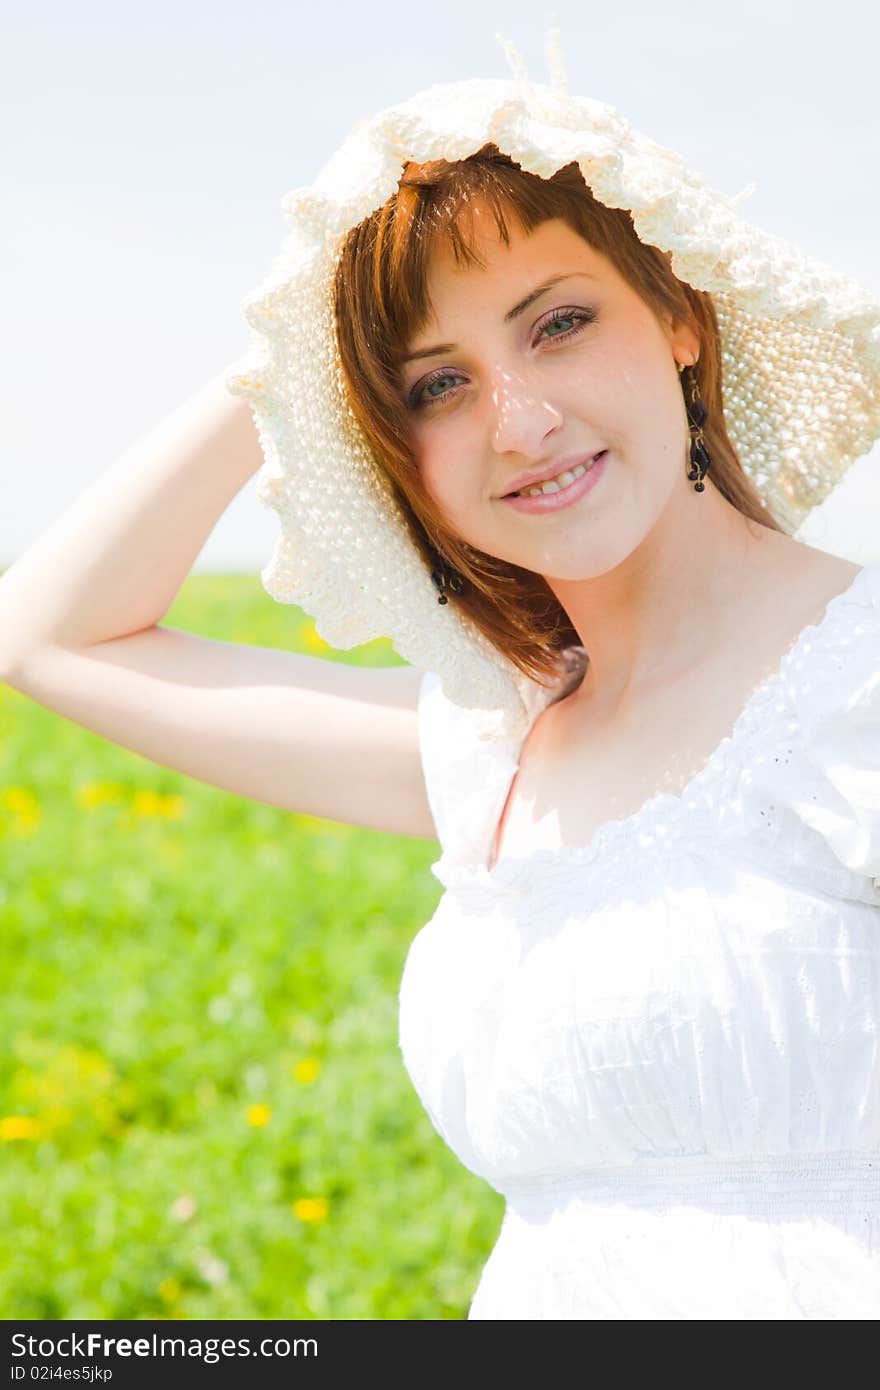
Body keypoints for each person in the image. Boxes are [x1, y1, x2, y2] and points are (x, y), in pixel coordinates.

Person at [2, 32, 880, 1319]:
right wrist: (297, 336)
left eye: (561, 325)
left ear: (680, 316)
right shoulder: (493, 748)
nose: (518, 421)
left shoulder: (853, 690)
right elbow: (50, 639)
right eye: (436, 385)